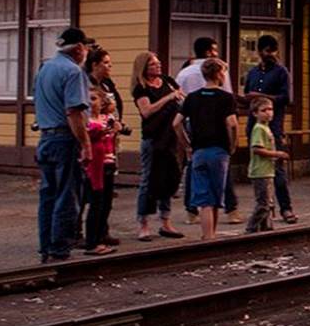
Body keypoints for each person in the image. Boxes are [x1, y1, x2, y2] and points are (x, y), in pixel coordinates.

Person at [34, 27, 94, 262]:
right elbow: (74, 112)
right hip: (65, 139)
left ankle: (46, 245)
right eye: (86, 46)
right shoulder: (73, 72)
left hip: (46, 136)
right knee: (67, 195)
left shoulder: (44, 68)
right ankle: (60, 247)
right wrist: (86, 144)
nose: (87, 51)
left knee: (48, 195)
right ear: (79, 48)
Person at [177, 37, 239, 224]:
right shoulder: (221, 71)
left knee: (194, 168)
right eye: (214, 49)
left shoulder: (184, 73)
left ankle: (191, 209)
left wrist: (185, 143)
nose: (216, 53)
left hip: (192, 121)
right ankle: (230, 208)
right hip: (218, 123)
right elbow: (231, 113)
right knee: (222, 169)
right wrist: (233, 142)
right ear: (207, 52)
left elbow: (179, 101)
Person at [131, 52, 185, 242]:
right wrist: (168, 98)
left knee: (169, 178)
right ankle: (143, 223)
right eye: (153, 64)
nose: (158, 66)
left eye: (158, 63)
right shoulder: (141, 88)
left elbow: (181, 97)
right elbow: (146, 111)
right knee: (148, 179)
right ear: (144, 67)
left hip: (170, 136)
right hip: (153, 138)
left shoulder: (167, 81)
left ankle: (166, 220)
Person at [243, 34, 297, 223]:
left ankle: (286, 207)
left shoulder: (281, 72)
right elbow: (246, 95)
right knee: (260, 170)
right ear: (260, 52)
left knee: (278, 169)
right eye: (267, 51)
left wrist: (262, 96)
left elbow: (286, 98)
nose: (270, 55)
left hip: (274, 125)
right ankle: (265, 209)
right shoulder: (253, 73)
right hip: (254, 124)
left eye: (273, 51)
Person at [83, 47, 125, 244]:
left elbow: (114, 106)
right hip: (94, 152)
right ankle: (86, 234)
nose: (110, 67)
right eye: (106, 63)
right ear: (94, 65)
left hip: (109, 145)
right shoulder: (86, 85)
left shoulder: (107, 84)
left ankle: (102, 230)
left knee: (105, 195)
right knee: (91, 195)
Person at [82, 90, 119, 255]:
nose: (92, 103)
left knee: (105, 203)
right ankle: (91, 241)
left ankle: (100, 237)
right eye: (89, 99)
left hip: (108, 162)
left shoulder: (106, 119)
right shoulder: (85, 120)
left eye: (94, 99)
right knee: (95, 203)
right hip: (94, 165)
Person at [246, 95, 288, 232]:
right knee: (263, 203)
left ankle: (266, 228)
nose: (269, 112)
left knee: (269, 202)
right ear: (255, 113)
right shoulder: (259, 128)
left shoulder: (266, 128)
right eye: (264, 110)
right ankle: (251, 227)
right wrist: (277, 154)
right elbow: (257, 149)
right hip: (260, 171)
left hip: (268, 170)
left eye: (270, 109)